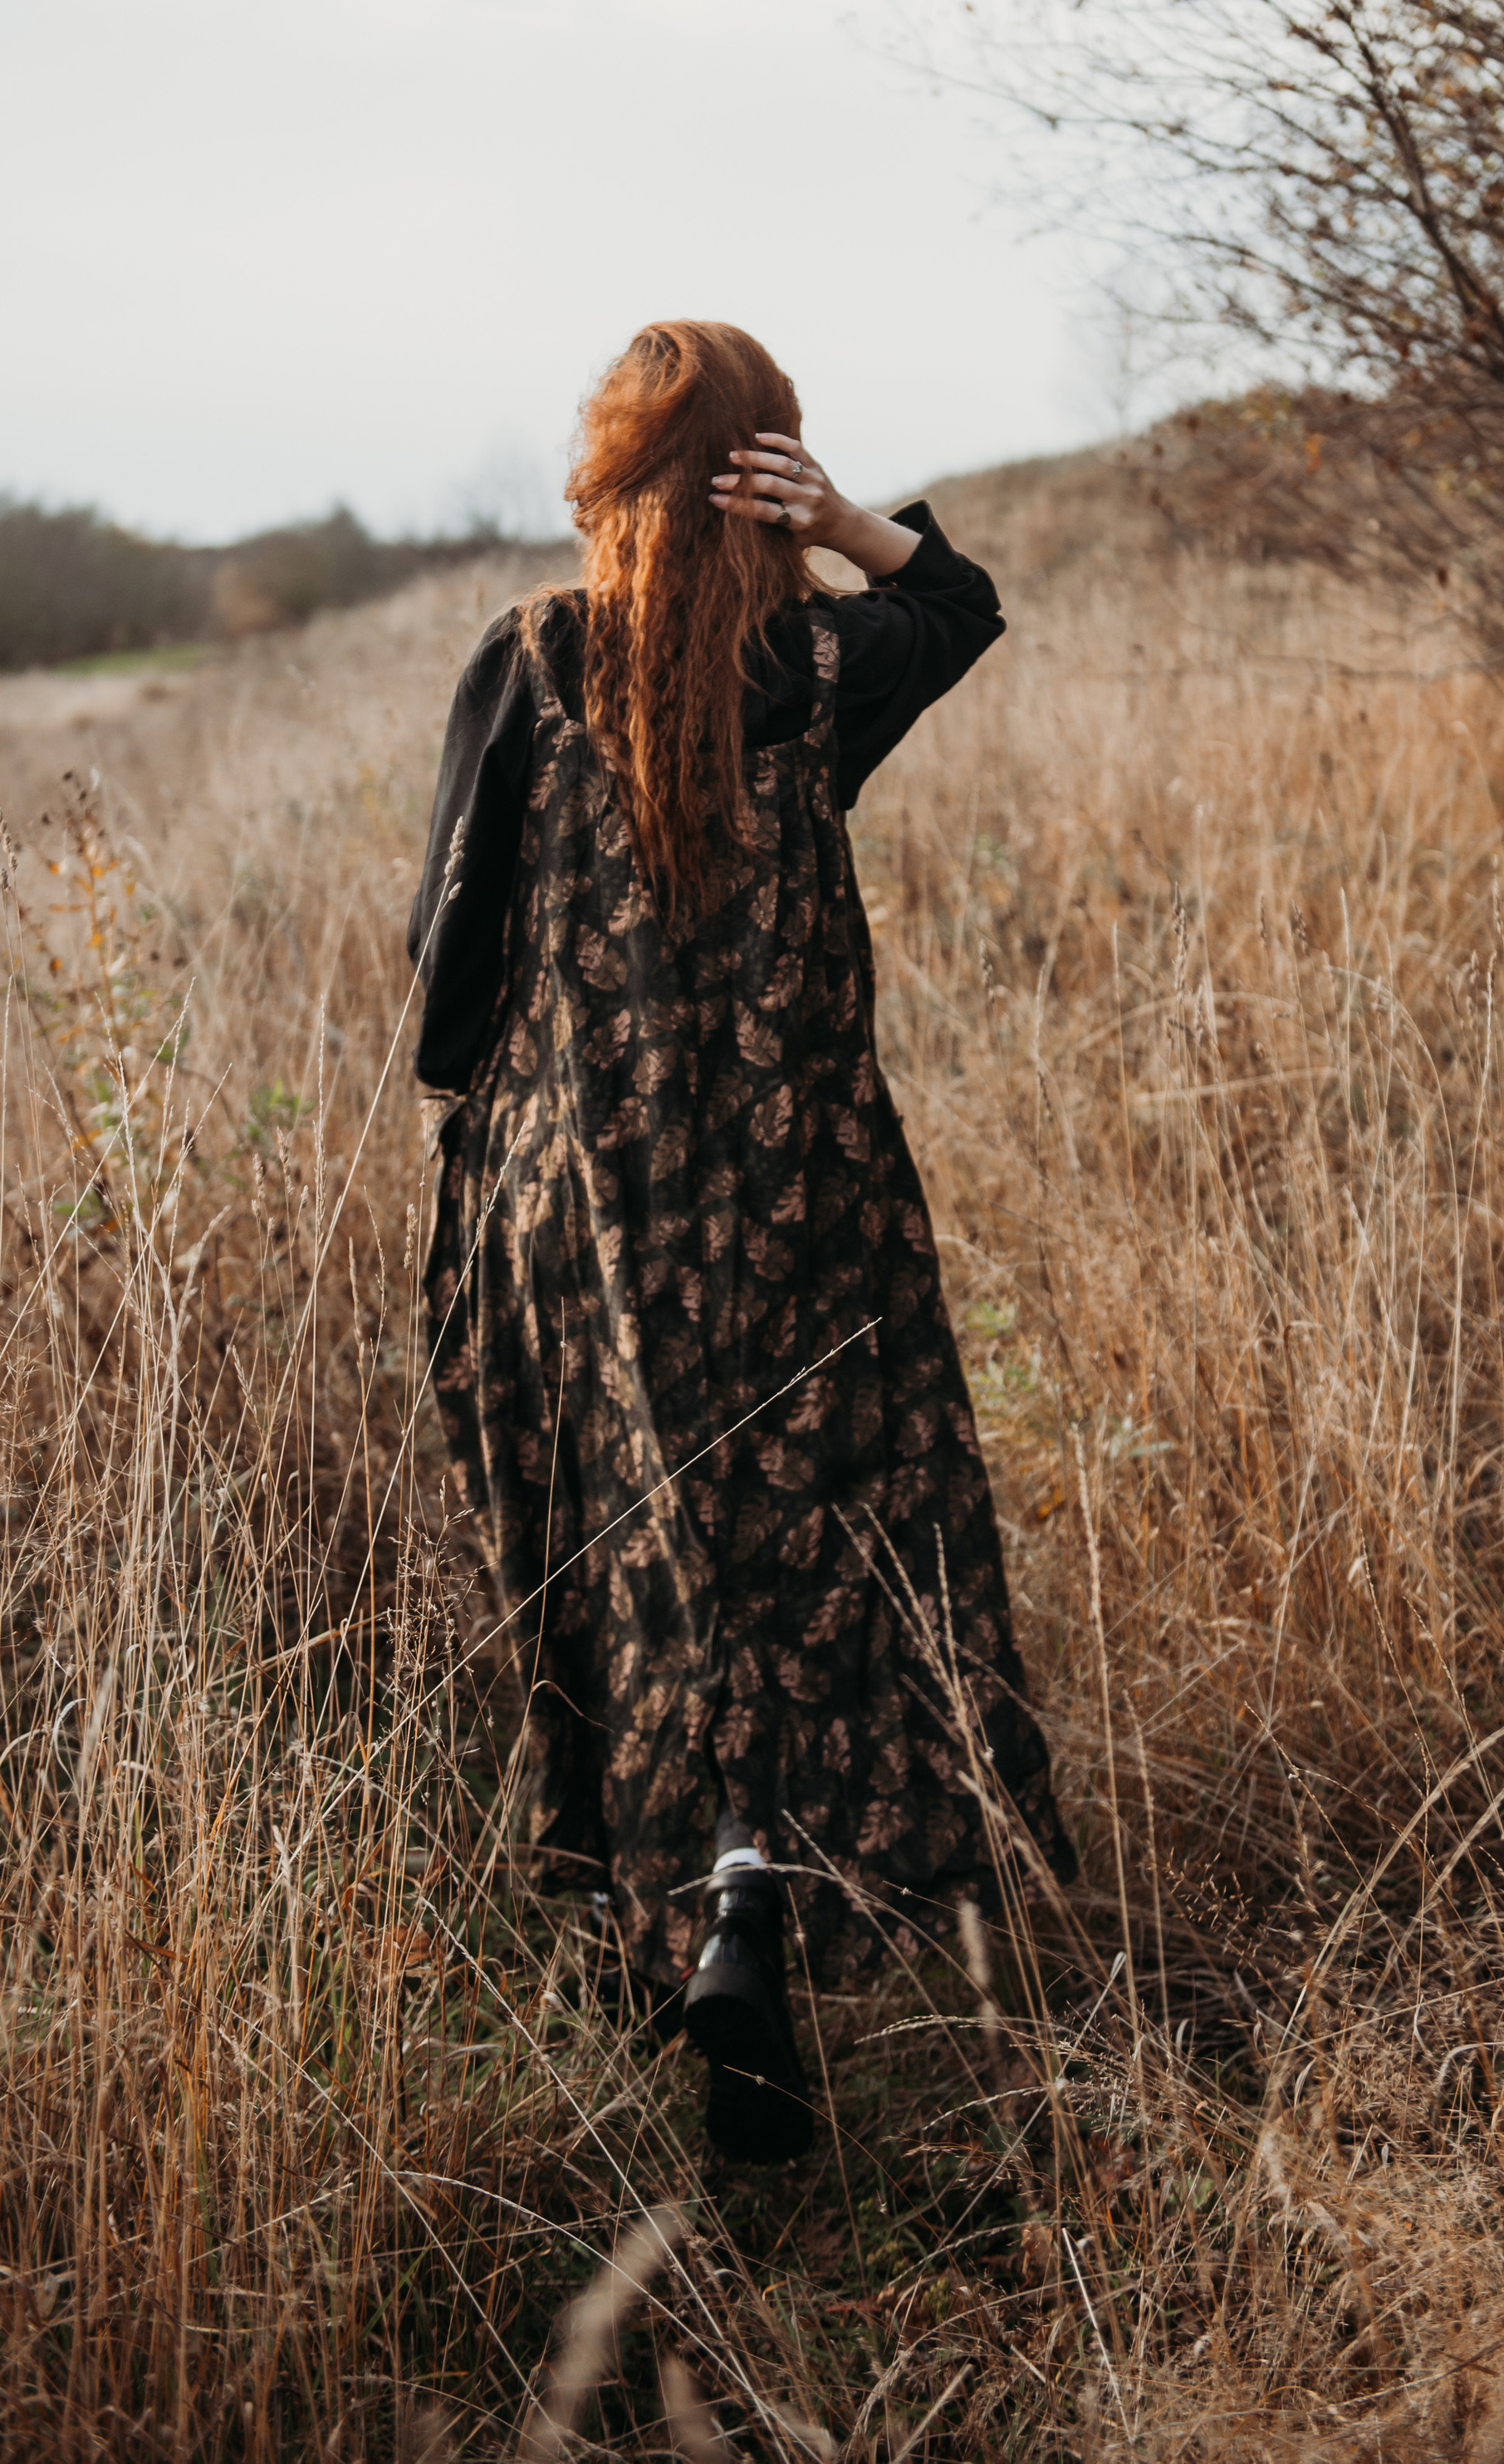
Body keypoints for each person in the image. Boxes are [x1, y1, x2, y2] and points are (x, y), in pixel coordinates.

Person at [408, 320, 1074, 2163]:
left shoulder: (534, 663)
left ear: (604, 480)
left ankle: (682, 1918)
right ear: (759, 482)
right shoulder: (821, 658)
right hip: (801, 1203)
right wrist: (852, 525)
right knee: (807, 1546)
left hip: (585, 1206)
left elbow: (445, 979)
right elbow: (964, 609)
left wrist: (509, 1120)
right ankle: (752, 1902)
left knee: (623, 1557)